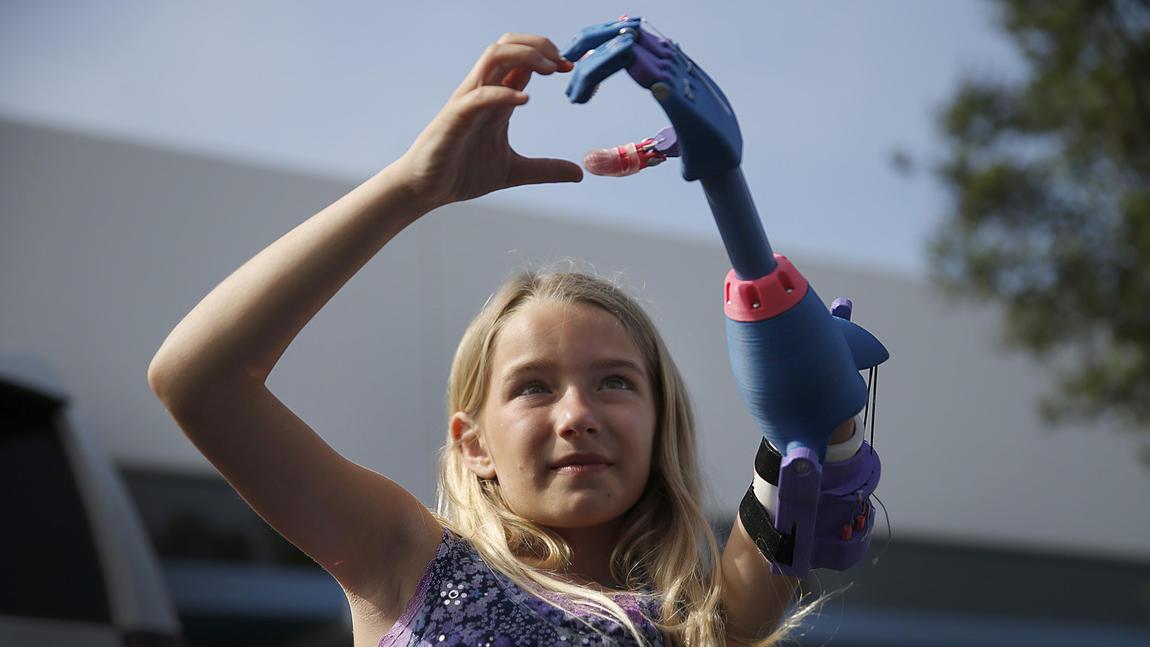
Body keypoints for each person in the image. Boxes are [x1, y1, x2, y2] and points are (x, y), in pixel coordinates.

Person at [148, 33, 858, 647]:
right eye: (532, 386)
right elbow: (198, 381)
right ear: (472, 442)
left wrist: (821, 403)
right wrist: (409, 188)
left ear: (659, 420)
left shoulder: (705, 621)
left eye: (615, 380)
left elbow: (808, 432)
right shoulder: (402, 558)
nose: (577, 413)